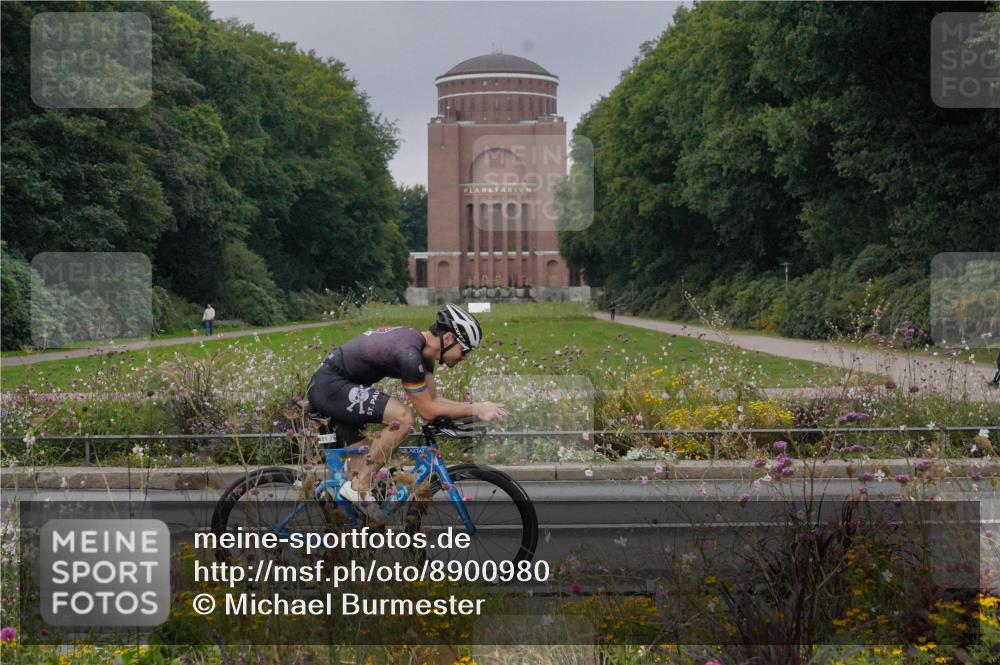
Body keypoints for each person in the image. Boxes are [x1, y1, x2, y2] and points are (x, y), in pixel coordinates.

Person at [305, 304, 509, 518]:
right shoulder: (409, 353)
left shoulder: (424, 356)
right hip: (330, 386)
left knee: (361, 480)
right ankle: (359, 483)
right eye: (464, 349)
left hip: (341, 389)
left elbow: (433, 400)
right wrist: (476, 409)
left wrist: (477, 407)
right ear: (448, 339)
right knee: (403, 418)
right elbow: (427, 411)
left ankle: (348, 532)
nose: (464, 357)